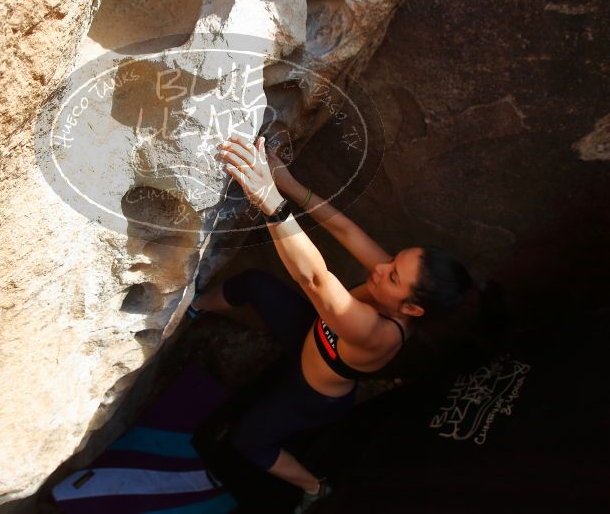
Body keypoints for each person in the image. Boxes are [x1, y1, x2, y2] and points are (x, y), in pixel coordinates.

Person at [187, 136, 474, 513]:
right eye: (394, 261)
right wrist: (286, 182)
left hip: (311, 395)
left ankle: (314, 487)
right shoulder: (392, 286)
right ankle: (194, 308)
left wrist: (270, 202)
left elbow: (316, 280)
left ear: (413, 310)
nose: (382, 267)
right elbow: (346, 230)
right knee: (254, 284)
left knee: (249, 442)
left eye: (392, 276)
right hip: (311, 335)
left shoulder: (376, 332)